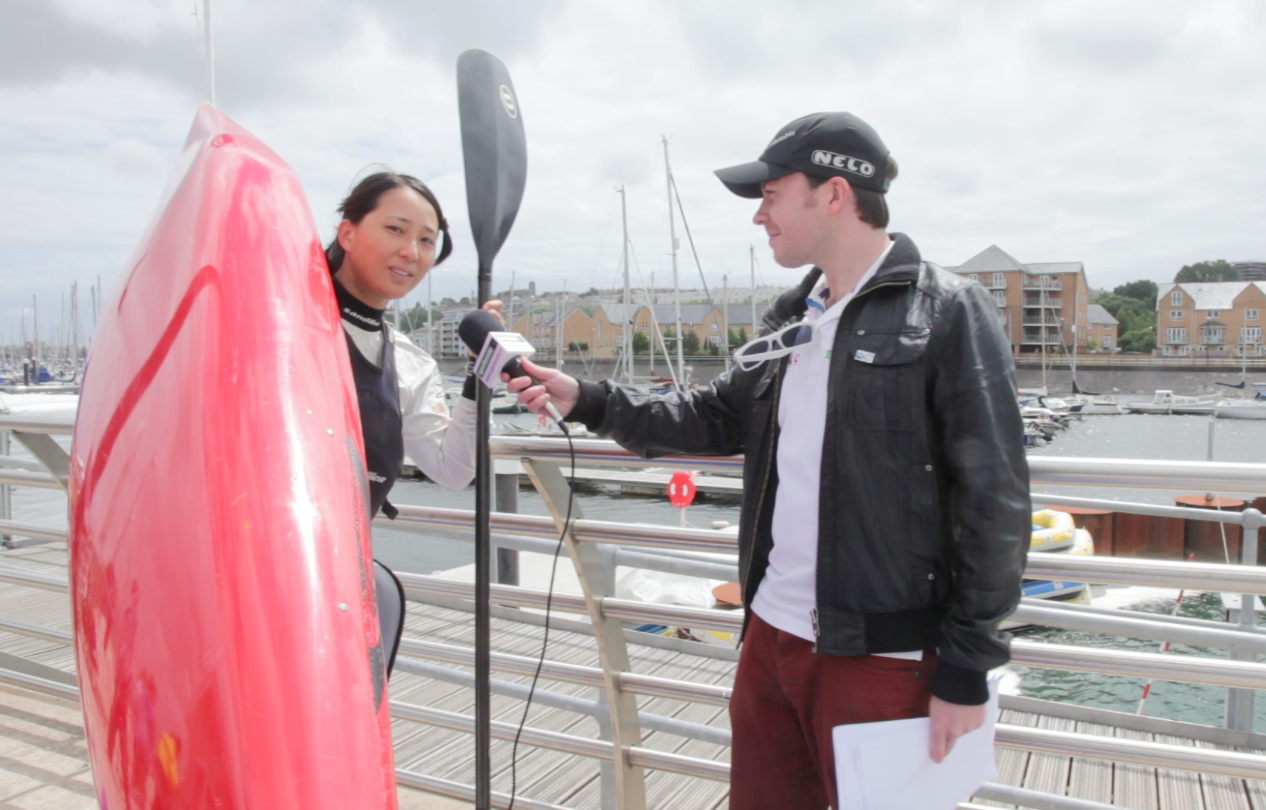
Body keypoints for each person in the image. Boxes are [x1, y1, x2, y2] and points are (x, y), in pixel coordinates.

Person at [504, 113, 1029, 808]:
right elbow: (710, 416)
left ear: (834, 194)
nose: (759, 216)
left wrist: (968, 664)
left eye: (772, 194)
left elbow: (995, 496)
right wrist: (587, 399)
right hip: (770, 638)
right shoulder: (794, 317)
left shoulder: (948, 310)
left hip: (883, 657)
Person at [325, 170, 498, 676]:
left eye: (427, 240)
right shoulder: (279, 324)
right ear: (349, 231)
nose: (412, 252)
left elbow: (452, 468)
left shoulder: (409, 361)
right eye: (396, 230)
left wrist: (480, 368)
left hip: (341, 579)